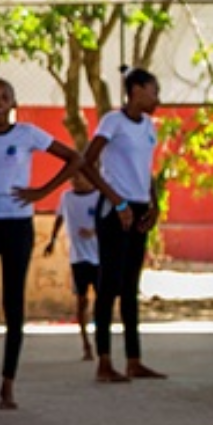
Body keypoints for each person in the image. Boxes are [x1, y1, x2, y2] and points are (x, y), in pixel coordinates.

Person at [0, 78, 121, 411]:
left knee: (13, 303)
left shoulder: (27, 134)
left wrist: (42, 191)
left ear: (13, 103)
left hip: (17, 225)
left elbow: (75, 158)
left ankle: (7, 385)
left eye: (4, 97)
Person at [83, 67, 165, 384]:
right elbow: (86, 163)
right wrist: (116, 200)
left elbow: (147, 169)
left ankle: (134, 360)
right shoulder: (112, 122)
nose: (157, 99)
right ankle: (104, 361)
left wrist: (154, 203)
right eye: (154, 91)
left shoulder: (149, 127)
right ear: (137, 90)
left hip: (140, 208)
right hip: (115, 211)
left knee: (131, 286)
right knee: (109, 285)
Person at [44, 173, 100, 361]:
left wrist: (94, 231)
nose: (75, 180)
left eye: (80, 176)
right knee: (81, 301)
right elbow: (60, 217)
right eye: (73, 177)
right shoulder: (66, 197)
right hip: (79, 257)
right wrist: (52, 240)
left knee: (101, 301)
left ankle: (101, 342)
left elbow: (110, 220)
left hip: (99, 257)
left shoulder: (99, 196)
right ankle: (86, 344)